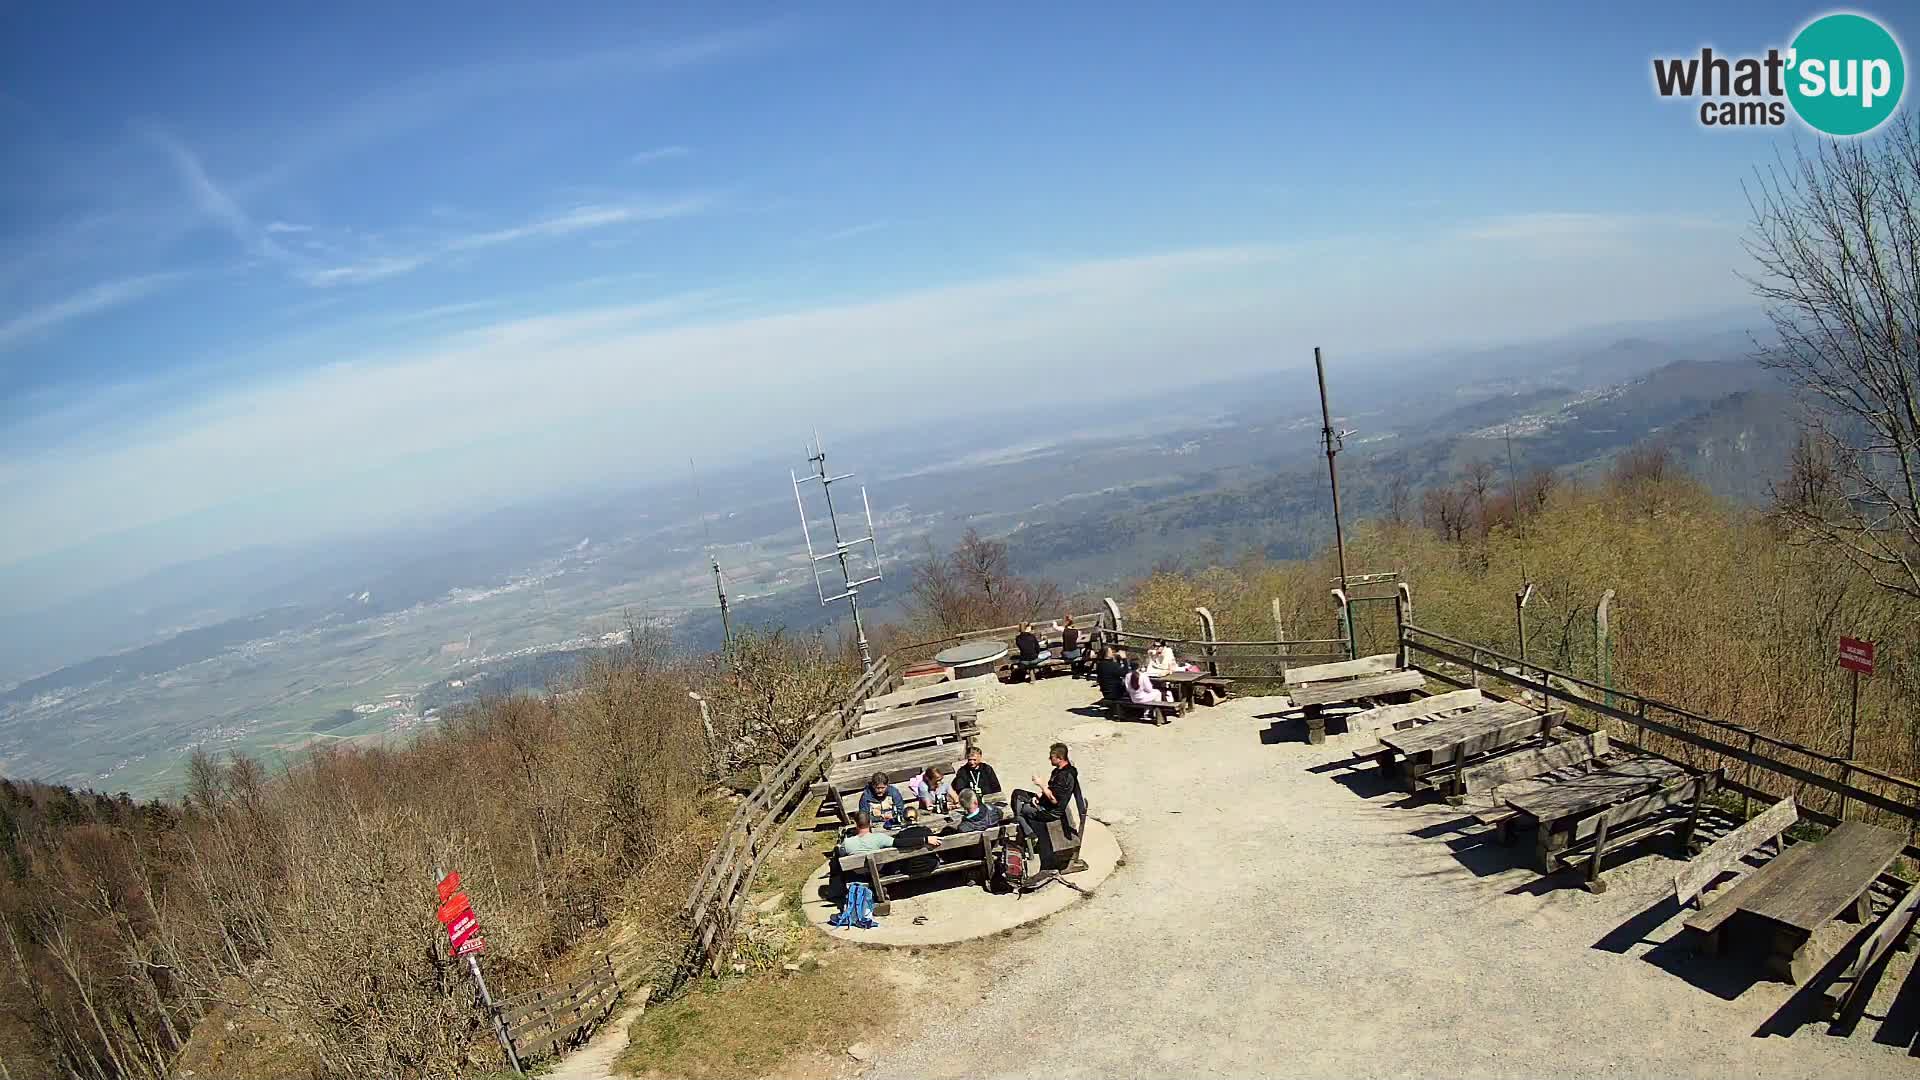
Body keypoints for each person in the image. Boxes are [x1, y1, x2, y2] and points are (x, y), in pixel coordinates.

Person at [1013, 742, 1079, 837]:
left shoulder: (1063, 776)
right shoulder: (1063, 770)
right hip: (1046, 802)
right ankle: (1026, 829)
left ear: (1060, 758)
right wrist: (1040, 796)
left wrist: (1040, 784)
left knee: (1021, 810)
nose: (1049, 759)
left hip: (1050, 812)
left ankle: (1029, 834)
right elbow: (1054, 790)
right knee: (1017, 794)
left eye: (1052, 757)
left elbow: (1054, 800)